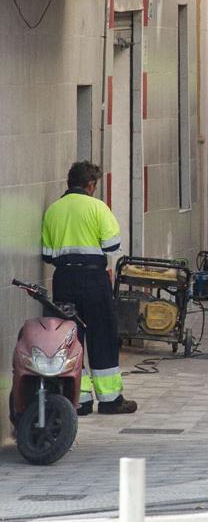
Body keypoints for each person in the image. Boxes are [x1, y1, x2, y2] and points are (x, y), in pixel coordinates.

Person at [41, 161, 138, 416]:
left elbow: (48, 254)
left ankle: (78, 400)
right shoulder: (98, 208)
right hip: (93, 280)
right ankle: (110, 400)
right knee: (103, 336)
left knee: (70, 339)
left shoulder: (53, 210)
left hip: (63, 280)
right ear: (91, 184)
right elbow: (112, 245)